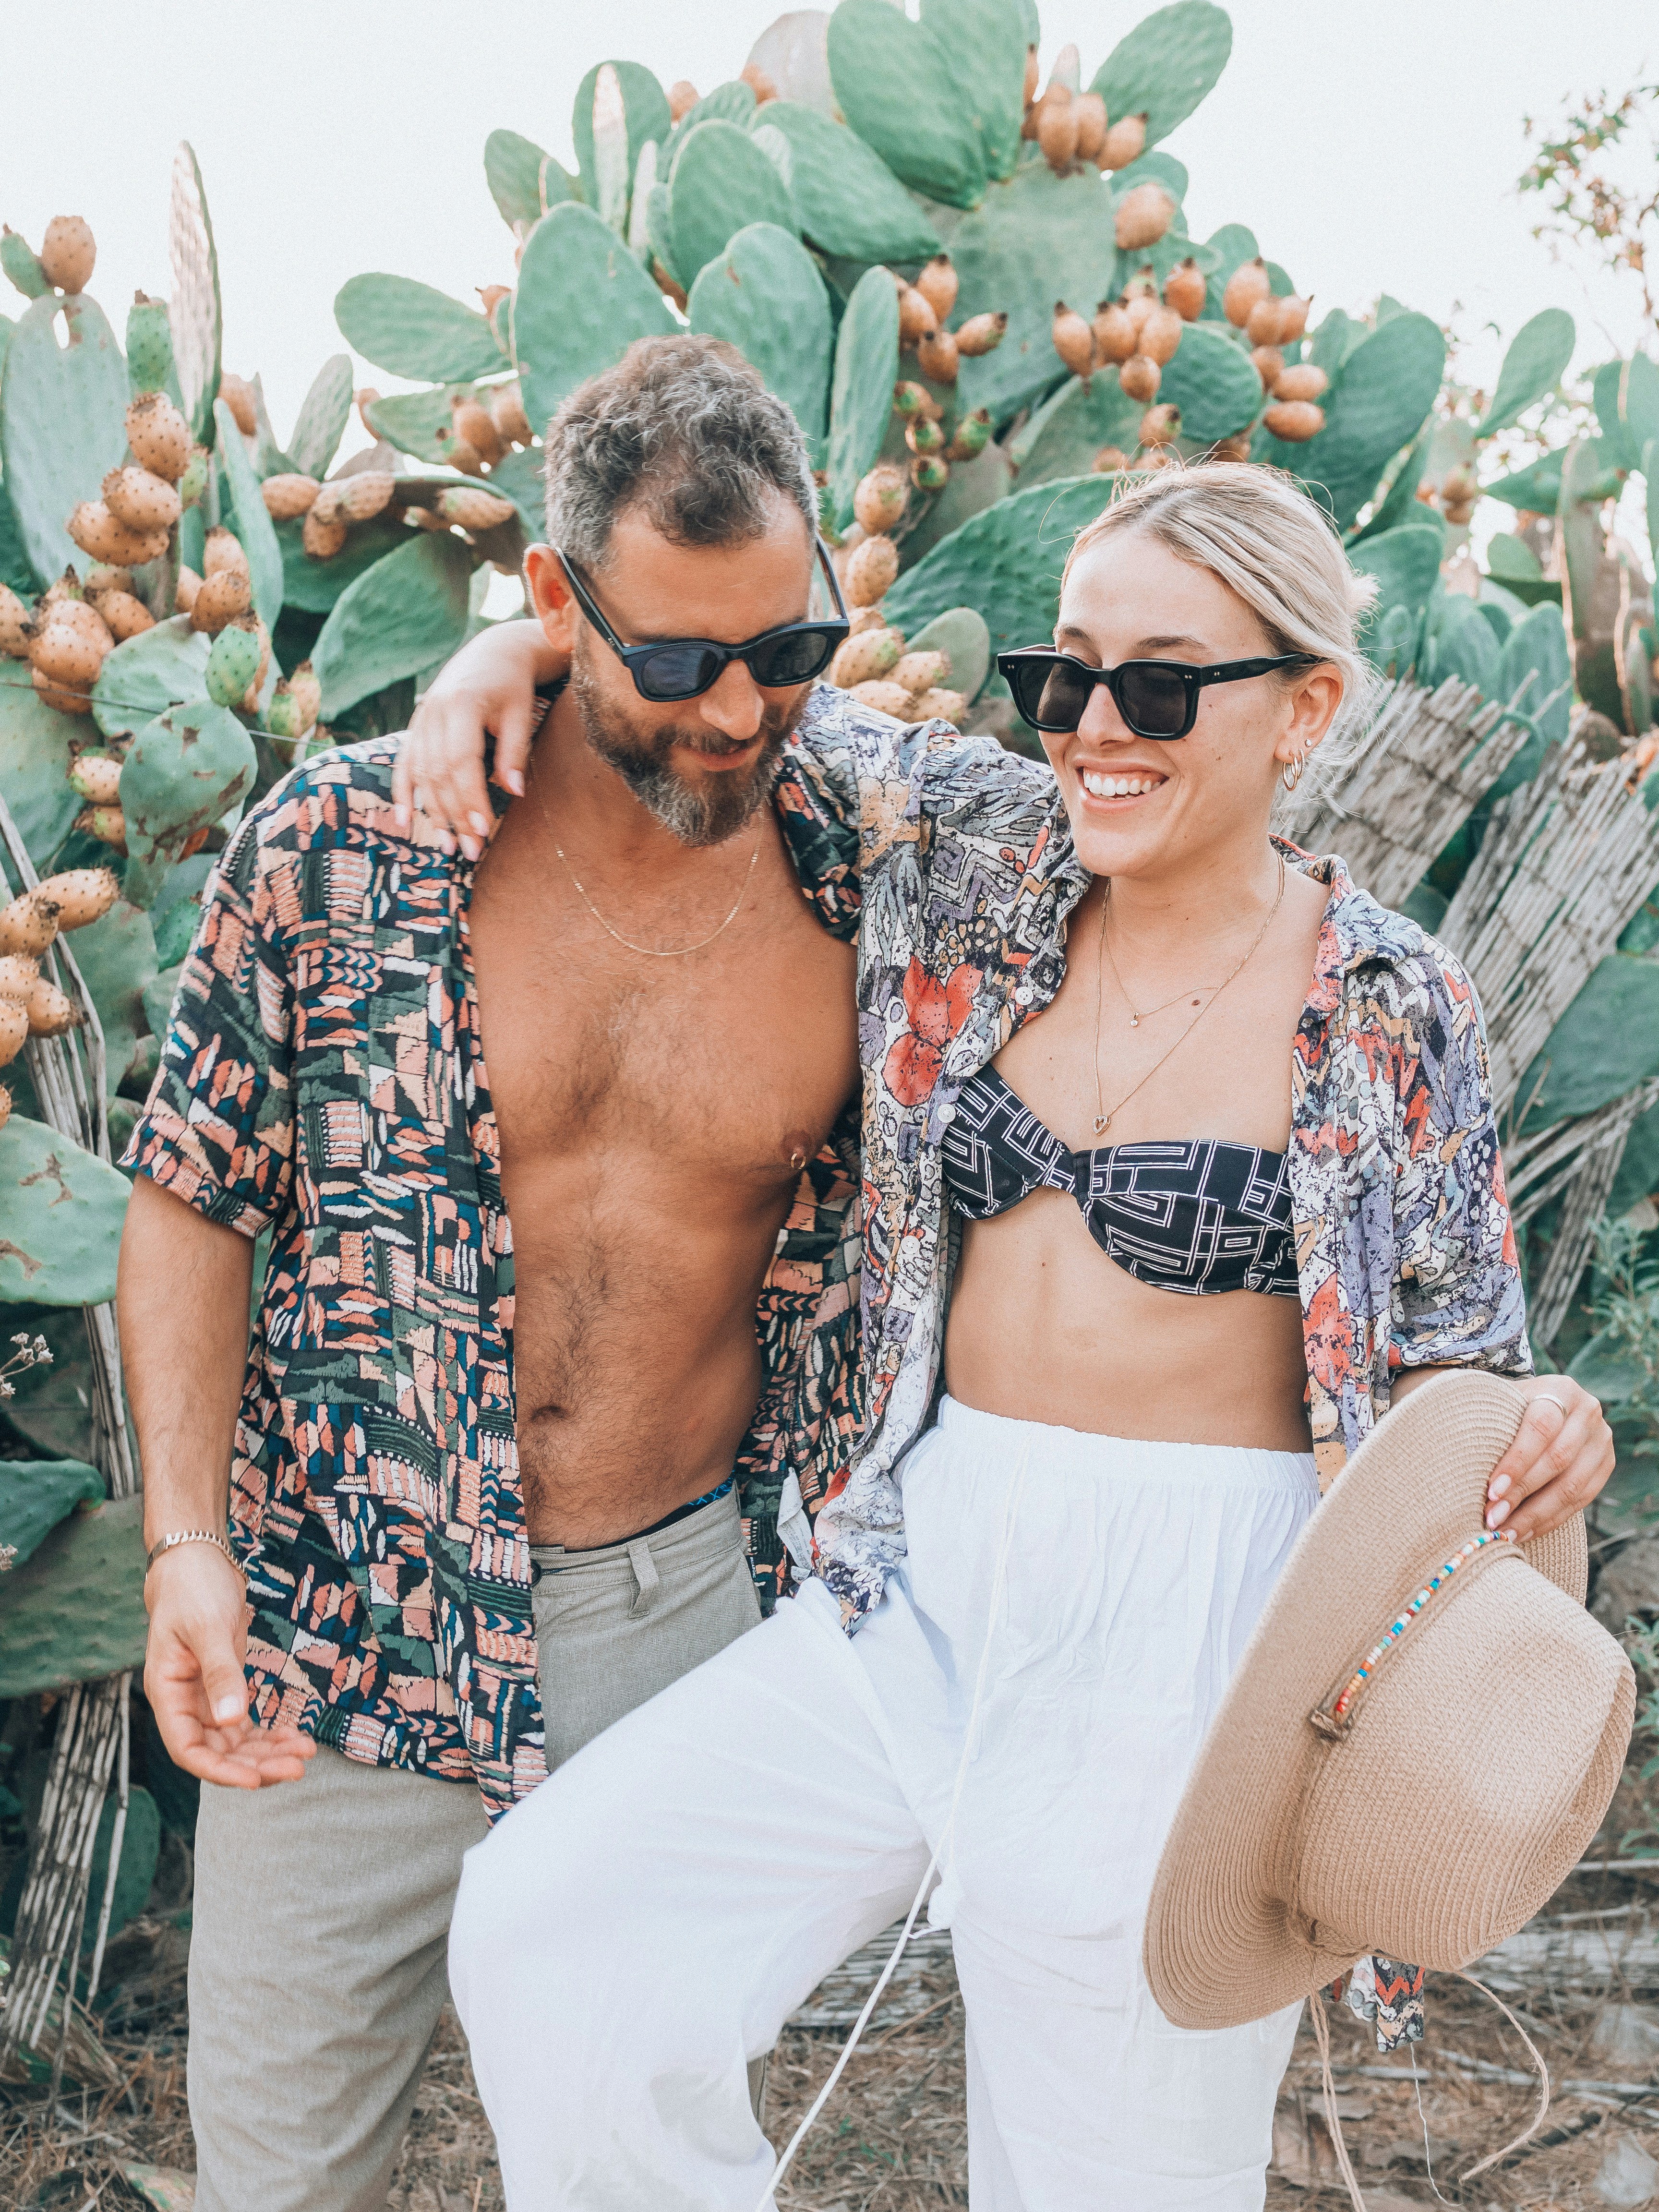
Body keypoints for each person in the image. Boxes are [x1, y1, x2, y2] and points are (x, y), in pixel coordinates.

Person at [412, 460, 1614, 2209]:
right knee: (561, 1930)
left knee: (1108, 2173)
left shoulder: (1387, 998)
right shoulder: (987, 859)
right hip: (923, 1574)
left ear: (1309, 708)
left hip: (1202, 1634)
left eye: (1162, 683)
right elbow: (741, 698)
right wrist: (486, 668)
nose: (1096, 727)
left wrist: (1540, 1424)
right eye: (1068, 675)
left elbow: (1455, 1358)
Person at [116, 334, 1007, 2212]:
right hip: (338, 1615)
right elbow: (193, 1191)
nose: (738, 715)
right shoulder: (345, 847)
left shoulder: (877, 859)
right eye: (676, 660)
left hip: (679, 1621)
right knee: (277, 2180)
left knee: (637, 2171)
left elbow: (1137, 799)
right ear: (555, 601)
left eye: (789, 652)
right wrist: (185, 1541)